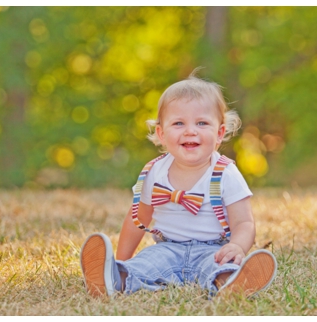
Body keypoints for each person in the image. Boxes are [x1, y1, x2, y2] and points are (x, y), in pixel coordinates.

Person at [80, 68, 277, 298]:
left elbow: (244, 222)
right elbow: (137, 219)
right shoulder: (154, 172)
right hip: (167, 249)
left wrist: (236, 247)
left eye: (202, 123)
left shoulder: (226, 173)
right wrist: (123, 259)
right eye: (179, 124)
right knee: (143, 265)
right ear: (161, 134)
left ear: (220, 133)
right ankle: (113, 277)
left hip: (212, 250)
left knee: (220, 268)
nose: (190, 131)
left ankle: (233, 284)